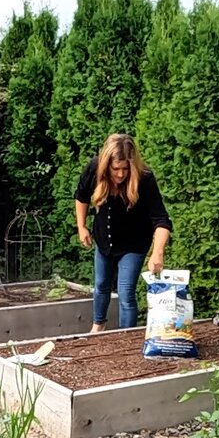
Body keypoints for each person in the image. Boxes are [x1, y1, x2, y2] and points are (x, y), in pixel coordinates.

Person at [73, 133, 172, 332]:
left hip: (133, 244)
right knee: (101, 285)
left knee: (126, 292)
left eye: (125, 169)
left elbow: (162, 220)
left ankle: (125, 336)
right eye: (115, 169)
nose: (120, 174)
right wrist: (81, 226)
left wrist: (157, 252)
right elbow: (81, 196)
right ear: (105, 165)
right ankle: (97, 328)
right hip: (104, 240)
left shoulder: (145, 179)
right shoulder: (94, 168)